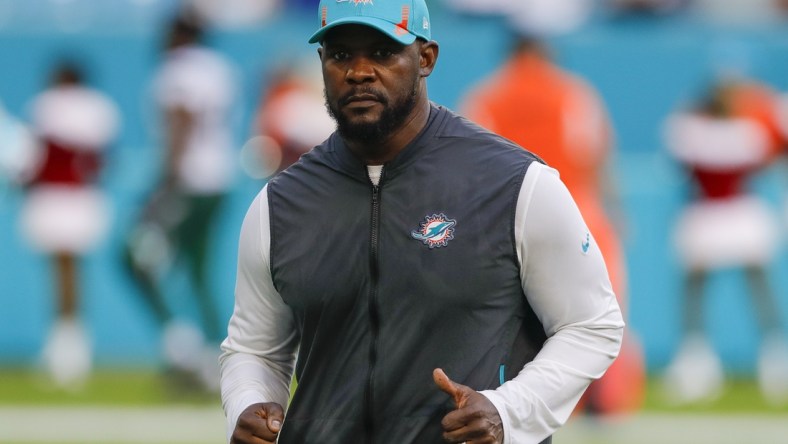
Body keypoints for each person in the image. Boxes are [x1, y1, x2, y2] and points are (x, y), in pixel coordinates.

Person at [219, 0, 624, 443]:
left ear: (425, 58)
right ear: (321, 62)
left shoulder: (516, 183)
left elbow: (591, 324)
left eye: (381, 52)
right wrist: (248, 403)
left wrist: (509, 410)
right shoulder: (280, 203)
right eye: (340, 55)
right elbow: (254, 349)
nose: (358, 71)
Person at [459, 34, 645, 416]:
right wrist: (616, 209)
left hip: (508, 213)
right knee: (596, 310)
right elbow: (596, 153)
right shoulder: (572, 92)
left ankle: (526, 398)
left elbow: (470, 164)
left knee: (520, 313)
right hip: (577, 207)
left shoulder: (487, 95)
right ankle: (604, 399)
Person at [122, 12, 237, 392]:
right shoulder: (220, 68)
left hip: (186, 183)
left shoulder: (178, 70)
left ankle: (183, 348)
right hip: (219, 180)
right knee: (198, 271)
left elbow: (182, 121)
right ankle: (212, 358)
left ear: (179, 33)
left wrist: (165, 183)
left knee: (132, 256)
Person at [662, 76, 788, 405]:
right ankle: (774, 360)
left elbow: (680, 166)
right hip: (742, 218)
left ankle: (697, 364)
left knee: (696, 294)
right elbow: (769, 155)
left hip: (705, 220)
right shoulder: (749, 133)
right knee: (758, 291)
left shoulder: (688, 131)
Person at [20, 60, 120, 389]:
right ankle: (66, 345)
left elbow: (37, 159)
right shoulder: (101, 109)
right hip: (81, 198)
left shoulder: (48, 105)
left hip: (58, 199)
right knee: (68, 272)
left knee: (63, 273)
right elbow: (104, 161)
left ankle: (69, 351)